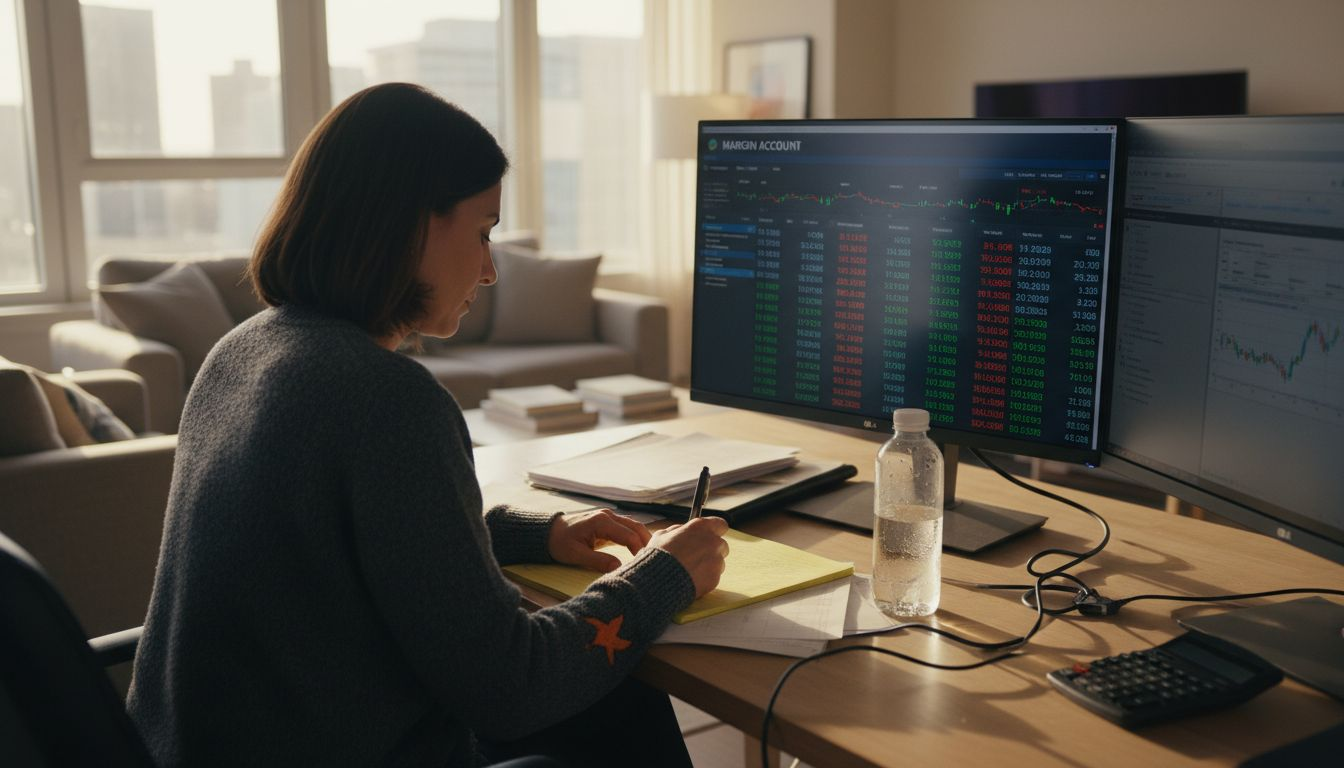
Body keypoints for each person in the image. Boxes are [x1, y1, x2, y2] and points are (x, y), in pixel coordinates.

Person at [126, 82, 730, 767]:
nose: (491, 269)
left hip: (206, 746)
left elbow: (356, 540)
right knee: (619, 705)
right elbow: (512, 687)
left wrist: (541, 534)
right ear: (411, 222)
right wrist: (665, 574)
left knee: (615, 705)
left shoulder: (243, 351)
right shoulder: (385, 399)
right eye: (482, 231)